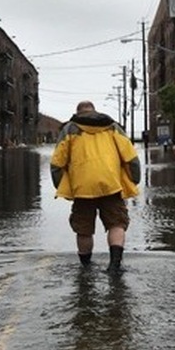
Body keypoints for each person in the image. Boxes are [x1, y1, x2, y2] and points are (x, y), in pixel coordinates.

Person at [50, 100, 141, 272]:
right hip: (111, 184)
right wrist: (134, 179)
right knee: (117, 224)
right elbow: (130, 157)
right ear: (94, 111)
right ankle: (114, 265)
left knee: (83, 228)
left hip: (82, 188)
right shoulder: (112, 127)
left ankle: (86, 267)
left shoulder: (69, 129)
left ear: (77, 112)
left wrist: (63, 186)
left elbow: (57, 163)